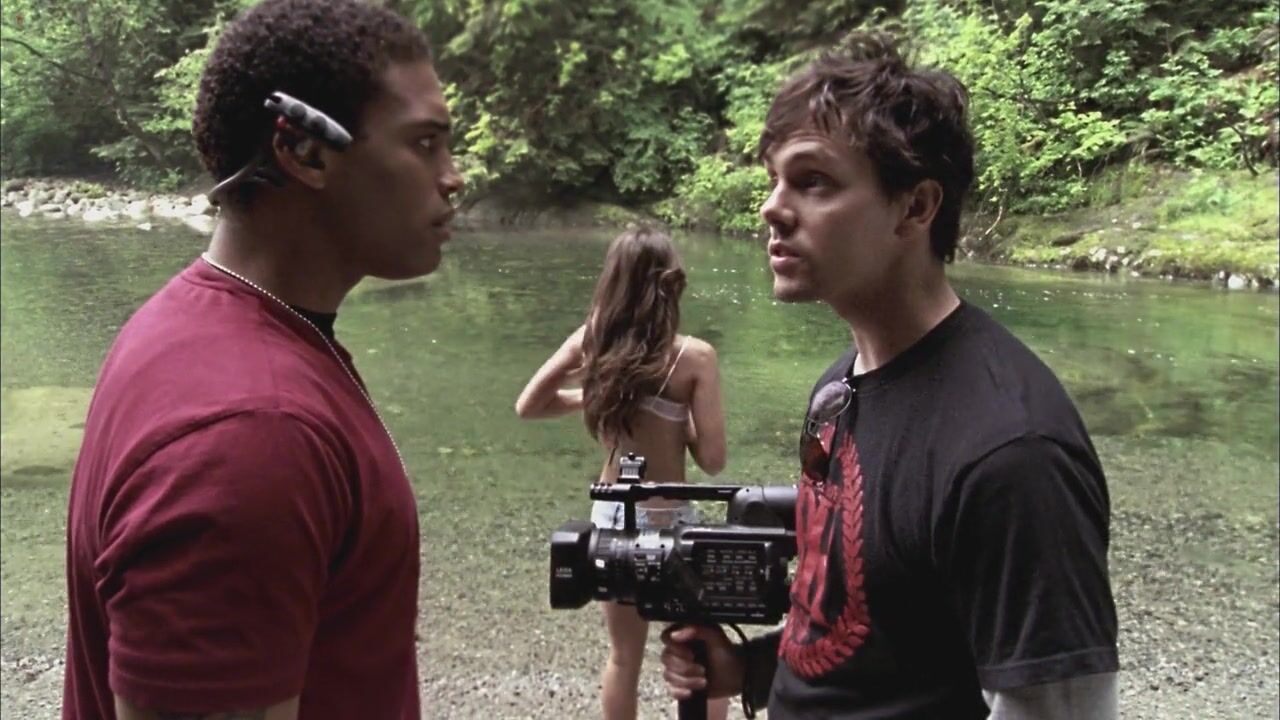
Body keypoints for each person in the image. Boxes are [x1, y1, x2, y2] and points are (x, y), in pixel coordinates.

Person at [659, 32, 1119, 719]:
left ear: (916, 207)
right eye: (774, 180)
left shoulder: (1011, 451)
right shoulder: (837, 390)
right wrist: (751, 668)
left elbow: (1060, 709)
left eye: (813, 181)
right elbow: (866, 624)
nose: (771, 207)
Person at [62, 1, 463, 718]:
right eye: (425, 144)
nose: (453, 177)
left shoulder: (195, 326)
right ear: (304, 151)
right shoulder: (252, 436)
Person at [515, 227, 731, 720]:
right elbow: (713, 459)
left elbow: (529, 405)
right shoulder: (694, 357)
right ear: (670, 284)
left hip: (612, 515)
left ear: (612, 282)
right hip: (670, 517)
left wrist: (595, 396)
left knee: (623, 658)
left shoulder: (592, 341)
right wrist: (680, 421)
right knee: (698, 648)